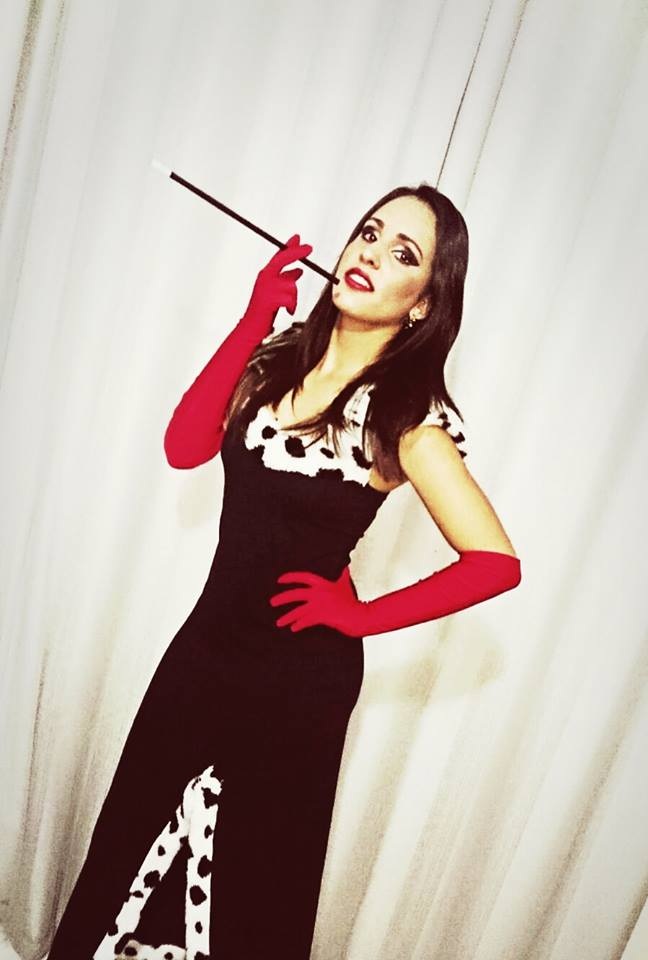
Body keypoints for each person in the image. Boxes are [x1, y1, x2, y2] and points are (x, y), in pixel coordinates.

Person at [46, 184, 521, 960]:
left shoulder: (404, 421)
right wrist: (253, 318)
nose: (370, 253)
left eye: (403, 253)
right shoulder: (276, 365)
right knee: (131, 834)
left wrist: (359, 616)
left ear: (423, 305)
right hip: (204, 648)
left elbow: (495, 563)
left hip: (298, 684)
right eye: (369, 233)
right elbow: (185, 446)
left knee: (251, 887)